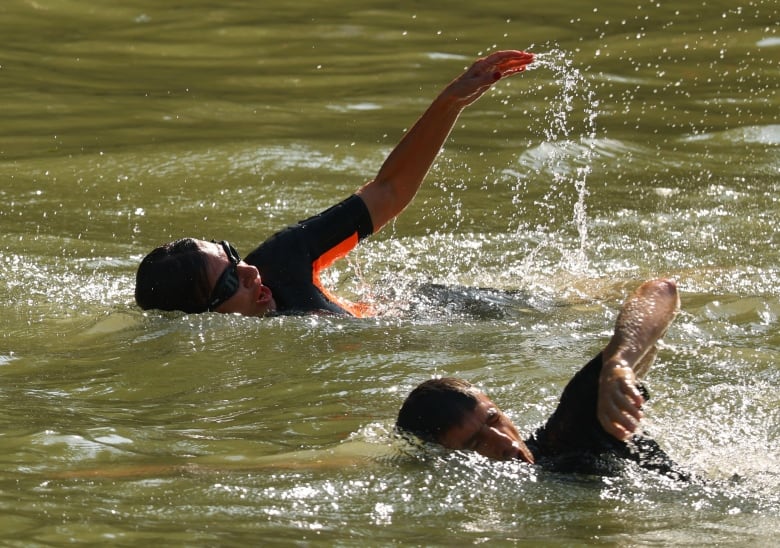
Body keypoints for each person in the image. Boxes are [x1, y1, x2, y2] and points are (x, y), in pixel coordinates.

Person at [134, 50, 535, 316]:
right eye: (228, 281)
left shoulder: (283, 260)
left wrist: (451, 99)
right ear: (203, 316)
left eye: (232, 255)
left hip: (449, 308)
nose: (250, 272)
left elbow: (388, 191)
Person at [396, 278, 692, 480]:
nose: (504, 443)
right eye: (475, 443)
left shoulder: (565, 437)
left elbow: (662, 292)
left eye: (493, 420)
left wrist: (618, 362)